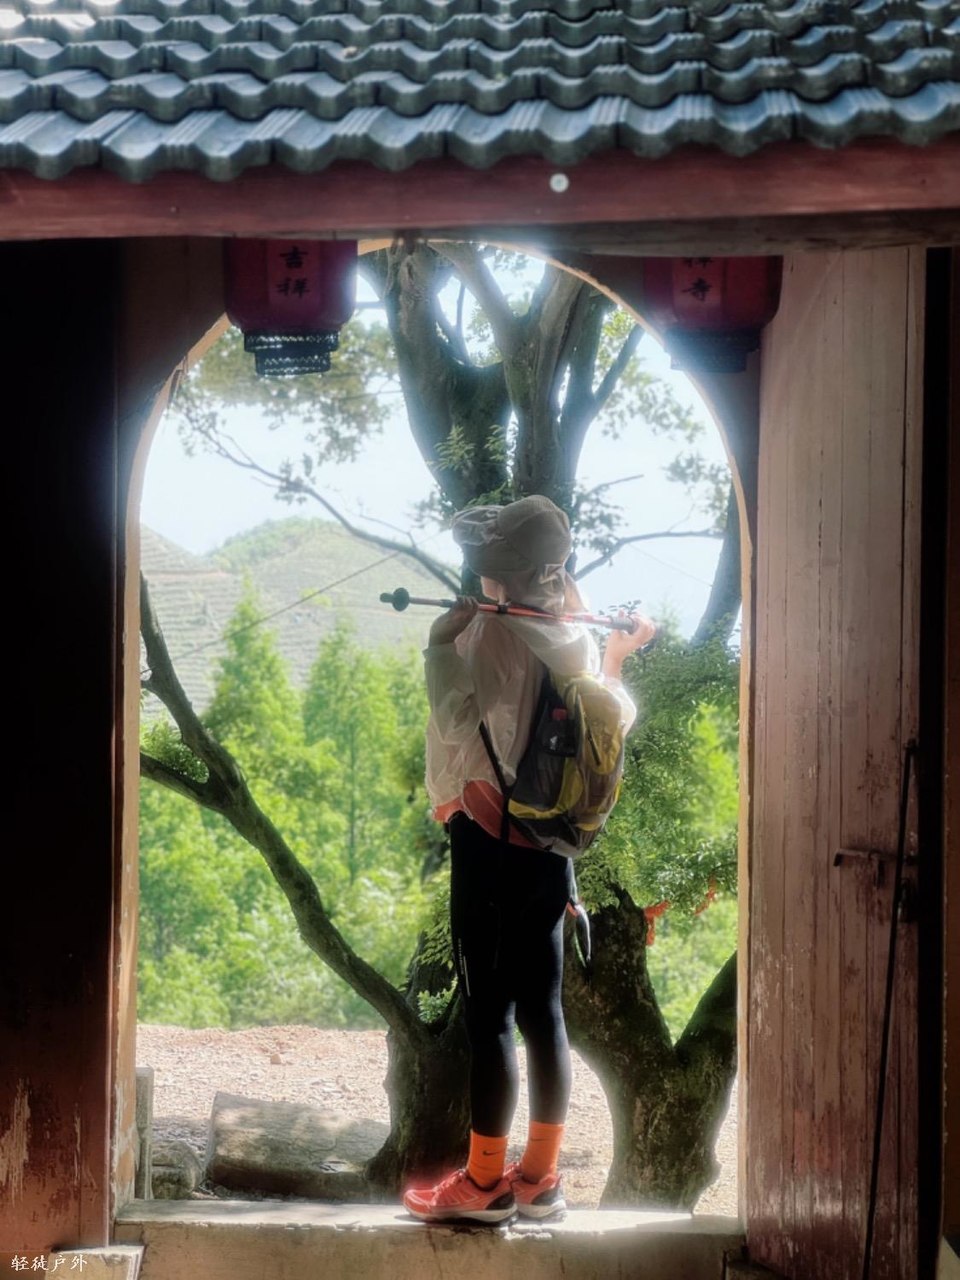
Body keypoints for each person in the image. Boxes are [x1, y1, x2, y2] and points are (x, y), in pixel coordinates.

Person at [402, 495, 656, 1225]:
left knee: (490, 1015)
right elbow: (611, 715)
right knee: (545, 1012)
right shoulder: (571, 630)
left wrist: (439, 645)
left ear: (499, 571)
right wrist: (616, 656)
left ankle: (484, 1184)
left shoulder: (491, 632)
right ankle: (540, 1178)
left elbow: (458, 722)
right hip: (550, 846)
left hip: (487, 842)